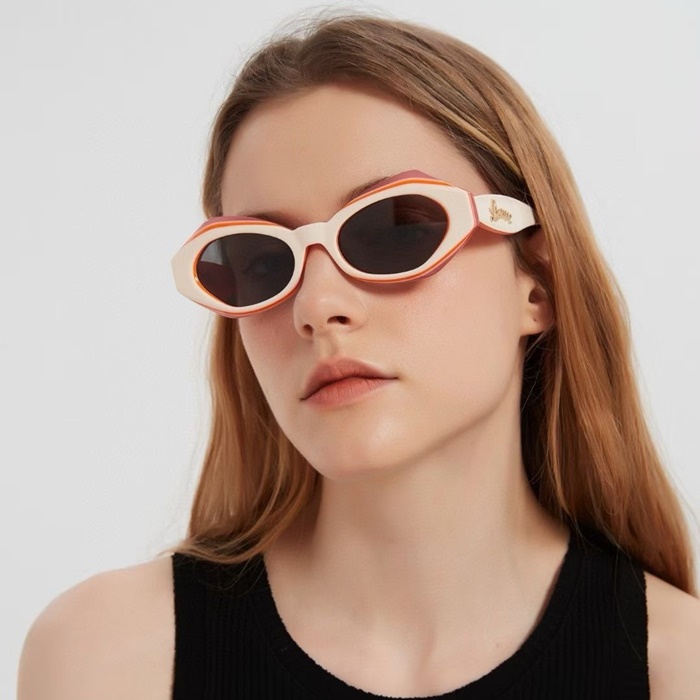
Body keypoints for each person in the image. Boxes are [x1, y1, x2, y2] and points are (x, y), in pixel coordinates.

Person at [18, 9, 700, 700]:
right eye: (262, 262)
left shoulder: (681, 670)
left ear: (538, 285)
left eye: (394, 230)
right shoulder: (107, 660)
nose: (316, 307)